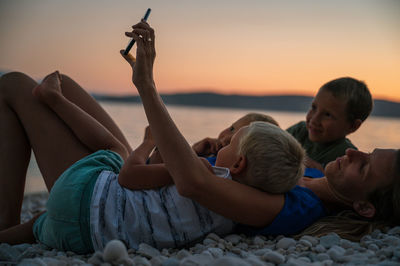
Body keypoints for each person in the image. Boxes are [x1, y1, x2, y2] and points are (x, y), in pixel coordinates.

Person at [0, 21, 399, 252]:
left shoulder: (293, 204)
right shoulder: (307, 175)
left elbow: (194, 182)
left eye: (364, 166)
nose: (352, 154)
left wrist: (147, 86)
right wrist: (216, 145)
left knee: (16, 85)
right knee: (63, 86)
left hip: (101, 203)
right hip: (131, 190)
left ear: (363, 207)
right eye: (364, 152)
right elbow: (240, 158)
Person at [0, 72, 304, 253]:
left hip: (83, 201)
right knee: (43, 222)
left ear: (238, 165)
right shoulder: (236, 207)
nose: (224, 139)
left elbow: (130, 176)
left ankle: (55, 100)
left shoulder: (205, 173)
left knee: (114, 148)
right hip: (80, 232)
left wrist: (148, 141)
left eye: (234, 136)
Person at [287, 77, 373, 172]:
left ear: (352, 126)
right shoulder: (299, 131)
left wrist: (322, 173)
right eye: (314, 108)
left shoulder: (347, 157)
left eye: (327, 115)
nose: (314, 119)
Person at [147, 112, 279, 165]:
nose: (225, 138)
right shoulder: (209, 159)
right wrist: (194, 152)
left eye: (235, 140)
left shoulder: (213, 166)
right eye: (231, 128)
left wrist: (149, 143)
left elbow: (150, 169)